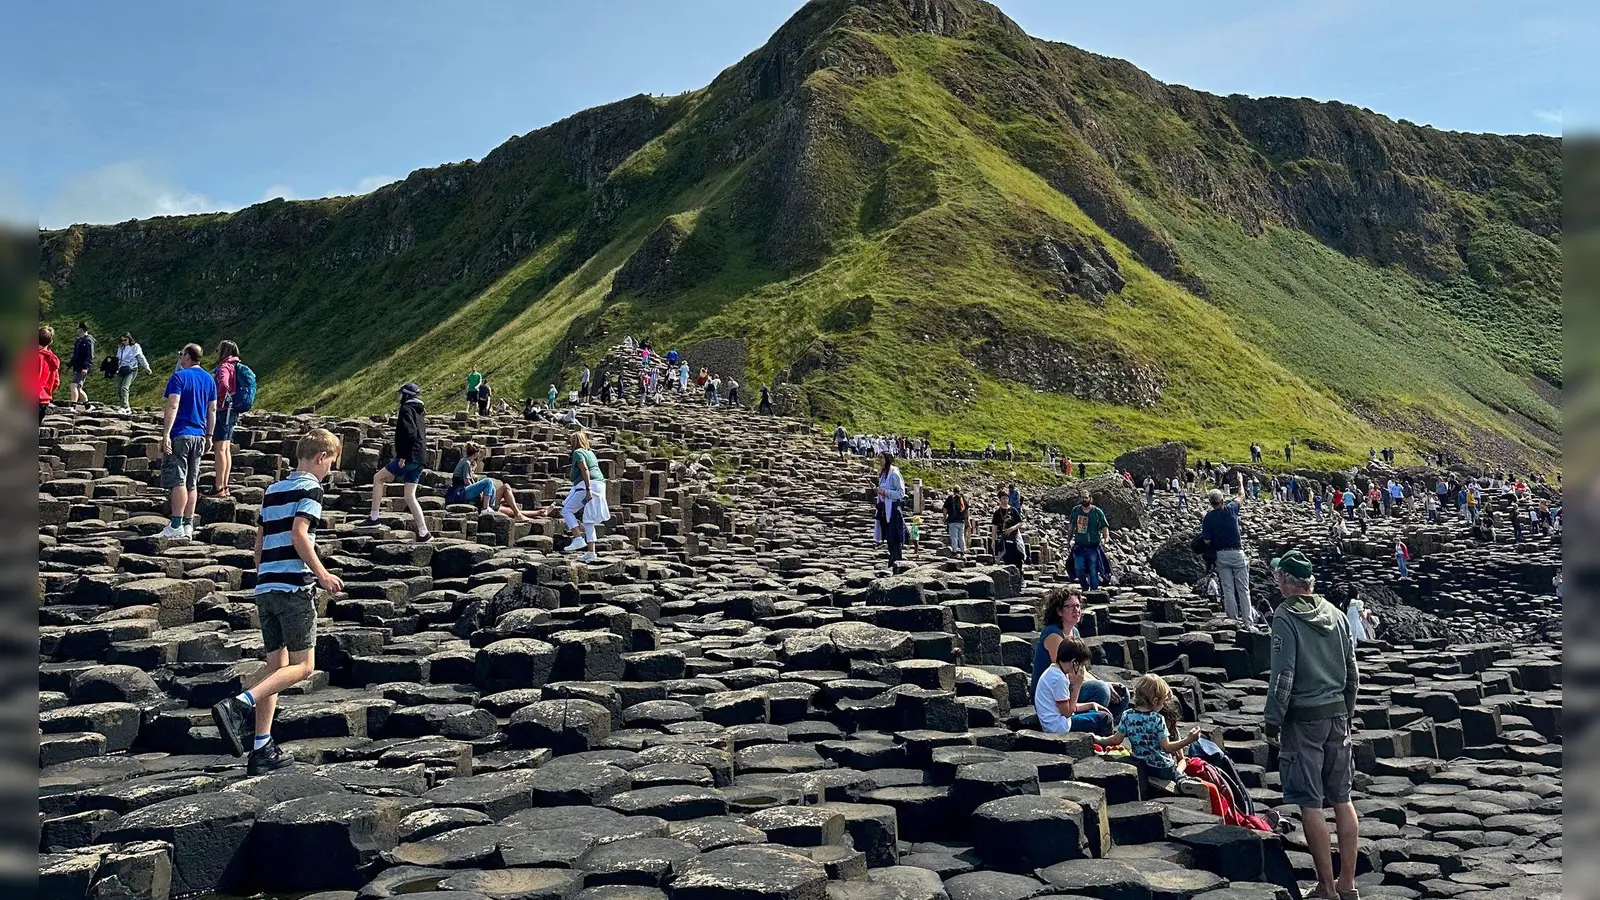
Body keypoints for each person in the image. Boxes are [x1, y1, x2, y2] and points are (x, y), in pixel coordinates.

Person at [209, 428, 345, 776]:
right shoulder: (311, 488)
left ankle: (261, 747)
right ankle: (239, 705)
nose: (330, 469)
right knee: (303, 666)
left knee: (275, 667)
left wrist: (264, 576)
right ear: (321, 458)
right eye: (331, 462)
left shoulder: (273, 489)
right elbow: (300, 535)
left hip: (265, 586)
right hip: (292, 588)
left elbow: (260, 542)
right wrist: (322, 575)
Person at [1264, 550, 1360, 900]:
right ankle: (1348, 884)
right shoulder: (1336, 614)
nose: (1277, 583)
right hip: (1337, 716)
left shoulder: (1284, 616)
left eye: (1278, 578)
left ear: (1288, 581)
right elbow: (1352, 671)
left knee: (1311, 803)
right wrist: (1346, 710)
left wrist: (1273, 720)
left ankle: (1326, 887)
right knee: (1342, 798)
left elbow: (1284, 676)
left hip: (1303, 720)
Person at [1028, 586, 1129, 715]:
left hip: (1070, 685)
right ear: (1059, 611)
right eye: (1070, 607)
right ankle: (1089, 725)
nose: (1076, 610)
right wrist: (1102, 684)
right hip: (1052, 694)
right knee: (1101, 690)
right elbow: (1066, 672)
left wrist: (1106, 682)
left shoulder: (1074, 632)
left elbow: (1081, 669)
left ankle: (1109, 725)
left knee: (1122, 692)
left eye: (1078, 606)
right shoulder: (1053, 635)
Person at [159, 343, 219, 540]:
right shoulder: (209, 380)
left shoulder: (179, 377)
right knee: (192, 482)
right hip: (199, 435)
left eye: (181, 354)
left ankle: (176, 523)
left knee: (178, 480)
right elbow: (212, 410)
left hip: (181, 433)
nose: (180, 357)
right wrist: (209, 435)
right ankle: (187, 523)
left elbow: (173, 404)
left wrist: (166, 433)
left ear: (187, 356)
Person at [1100, 674, 1202, 785]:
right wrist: (1188, 740)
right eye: (1163, 702)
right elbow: (1167, 748)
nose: (1163, 705)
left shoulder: (1127, 715)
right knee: (1178, 763)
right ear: (1155, 701)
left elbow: (1116, 740)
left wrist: (1098, 740)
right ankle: (1180, 777)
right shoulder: (1157, 719)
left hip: (1141, 765)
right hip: (1162, 769)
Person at [367, 383, 431, 541]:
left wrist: (403, 455)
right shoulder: (419, 411)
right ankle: (424, 532)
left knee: (378, 478)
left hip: (408, 457)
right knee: (410, 496)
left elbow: (410, 433)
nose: (399, 397)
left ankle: (374, 517)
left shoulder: (406, 410)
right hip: (420, 458)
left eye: (401, 394)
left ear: (406, 395)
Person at [1034, 636, 1114, 736]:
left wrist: (1091, 704)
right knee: (1105, 719)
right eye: (1081, 664)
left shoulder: (1056, 671)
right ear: (1074, 663)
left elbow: (1066, 706)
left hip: (1058, 721)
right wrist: (1077, 685)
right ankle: (1105, 747)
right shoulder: (1058, 678)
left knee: (1094, 711)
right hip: (1058, 727)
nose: (1082, 668)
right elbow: (1067, 713)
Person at [1203, 472, 1250, 624]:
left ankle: (1233, 620)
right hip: (1237, 552)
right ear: (1222, 500)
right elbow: (1242, 495)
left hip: (1221, 555)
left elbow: (1207, 540)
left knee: (1228, 589)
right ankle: (1247, 621)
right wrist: (1240, 481)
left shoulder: (1208, 518)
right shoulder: (1231, 509)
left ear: (1211, 502)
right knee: (1243, 589)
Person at [448, 442, 536, 520]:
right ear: (476, 453)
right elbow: (466, 481)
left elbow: (470, 481)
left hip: (461, 491)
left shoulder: (464, 461)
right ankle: (485, 508)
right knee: (488, 481)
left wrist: (479, 490)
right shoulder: (466, 463)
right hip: (460, 492)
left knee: (492, 488)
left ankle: (491, 506)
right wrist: (479, 492)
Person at [561, 430, 610, 563]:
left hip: (587, 486)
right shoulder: (591, 453)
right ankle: (591, 553)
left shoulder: (578, 452)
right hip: (599, 485)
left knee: (566, 510)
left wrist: (588, 489)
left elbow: (585, 469)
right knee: (588, 520)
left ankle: (577, 538)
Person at [205, 340, 242, 498]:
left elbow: (224, 384)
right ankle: (224, 485)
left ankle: (219, 486)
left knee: (219, 449)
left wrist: (217, 401)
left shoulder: (225, 366)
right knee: (226, 449)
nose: (215, 352)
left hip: (223, 410)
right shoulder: (235, 364)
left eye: (217, 349)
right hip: (232, 411)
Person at [1068, 492, 1110, 591]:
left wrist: (1106, 538)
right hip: (1079, 546)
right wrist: (1068, 540)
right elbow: (1071, 527)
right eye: (1082, 498)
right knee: (1079, 568)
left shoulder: (1097, 511)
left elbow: (1104, 526)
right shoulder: (1076, 511)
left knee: (1093, 570)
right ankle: (1085, 586)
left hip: (1093, 547)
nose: (1084, 499)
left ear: (1090, 498)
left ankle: (1094, 592)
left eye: (1086, 498)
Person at [874, 452, 908, 565]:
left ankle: (896, 559)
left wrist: (885, 492)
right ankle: (892, 558)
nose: (879, 459)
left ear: (888, 459)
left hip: (893, 508)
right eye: (879, 457)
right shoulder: (883, 474)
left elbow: (901, 493)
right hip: (884, 508)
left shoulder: (894, 474)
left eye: (882, 457)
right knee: (888, 535)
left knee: (894, 535)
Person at [111, 332, 152, 414]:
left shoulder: (135, 347)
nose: (124, 342)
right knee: (119, 389)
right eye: (122, 340)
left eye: (125, 340)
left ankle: (126, 407)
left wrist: (147, 367)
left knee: (124, 387)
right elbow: (117, 359)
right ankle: (122, 405)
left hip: (131, 369)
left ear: (129, 339)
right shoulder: (121, 348)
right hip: (121, 369)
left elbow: (141, 357)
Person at [29, 325, 62, 423]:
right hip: (44, 400)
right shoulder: (53, 360)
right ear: (51, 342)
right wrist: (47, 391)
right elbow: (56, 382)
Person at [69, 322, 95, 406]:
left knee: (73, 386)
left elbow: (90, 355)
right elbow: (75, 355)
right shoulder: (78, 341)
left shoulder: (88, 340)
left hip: (83, 367)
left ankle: (73, 405)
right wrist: (69, 365)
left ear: (82, 329)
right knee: (79, 388)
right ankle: (88, 406)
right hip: (77, 367)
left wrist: (86, 367)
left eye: (78, 329)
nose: (77, 330)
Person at [945, 487, 967, 557]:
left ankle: (954, 551)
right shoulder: (962, 498)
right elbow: (966, 509)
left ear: (953, 491)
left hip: (952, 520)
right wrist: (967, 519)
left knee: (954, 537)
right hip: (961, 520)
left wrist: (944, 517)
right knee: (961, 536)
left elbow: (945, 508)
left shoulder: (950, 498)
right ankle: (962, 550)